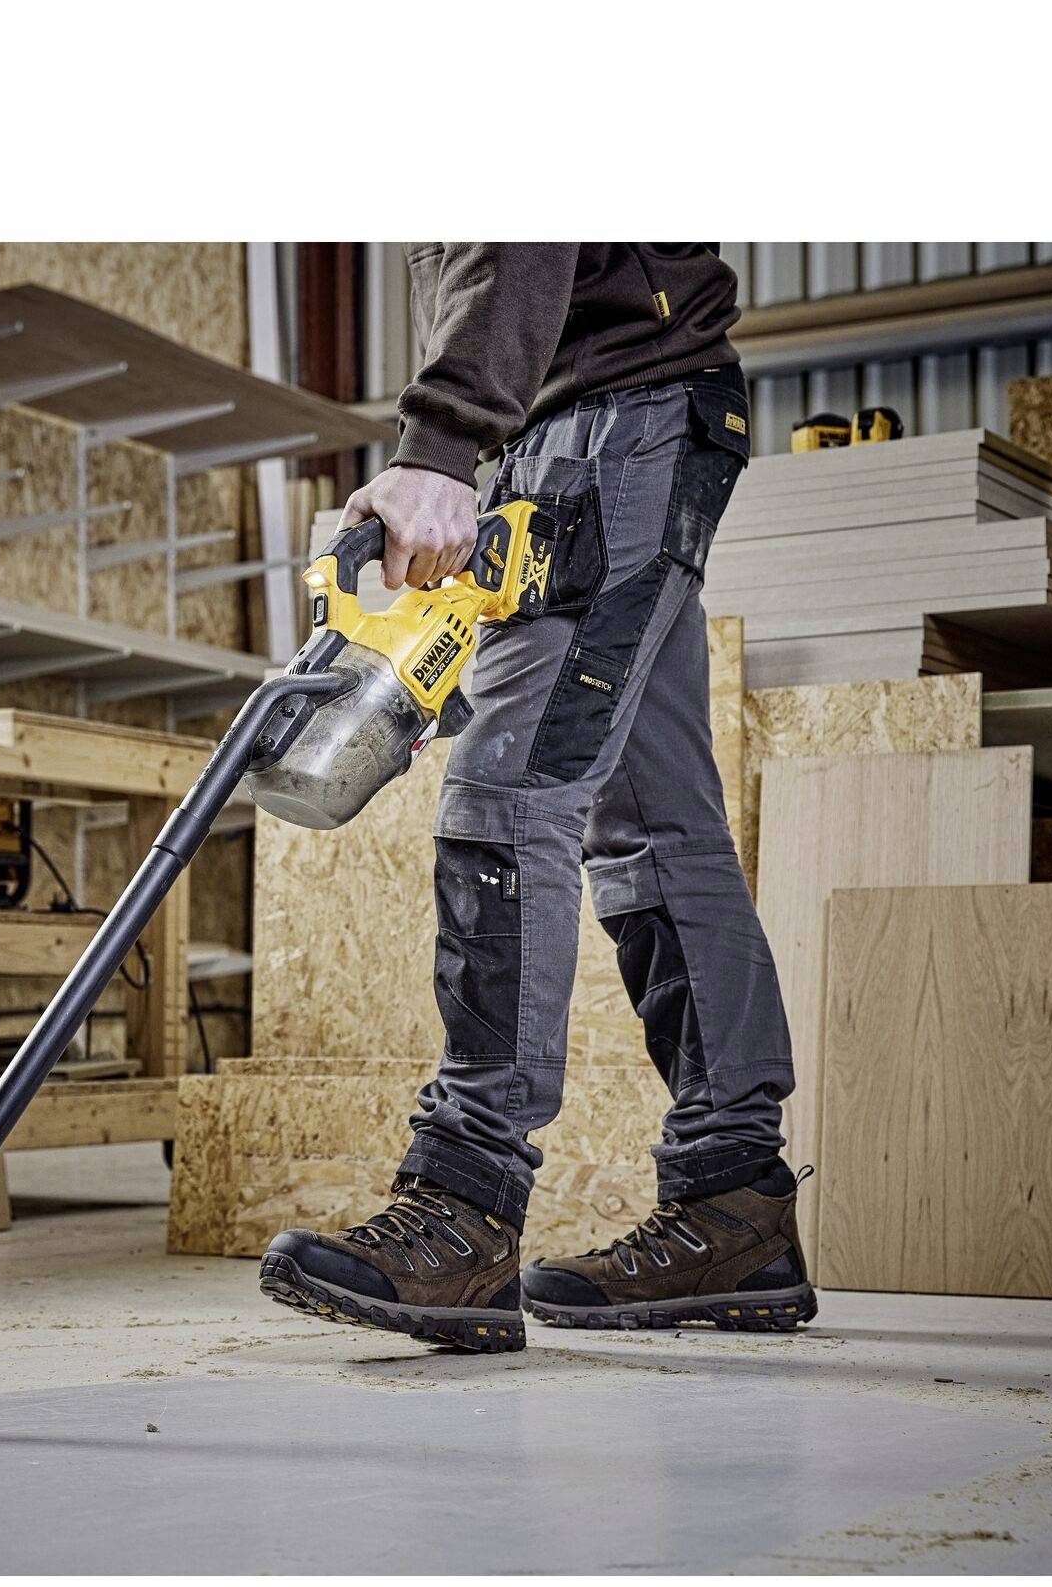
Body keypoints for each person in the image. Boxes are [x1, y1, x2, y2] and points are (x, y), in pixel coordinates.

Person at [259, 243, 812, 1349]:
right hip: (614, 417)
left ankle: (465, 1204)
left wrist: (439, 442)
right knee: (658, 830)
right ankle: (732, 1202)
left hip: (614, 418)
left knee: (508, 802)